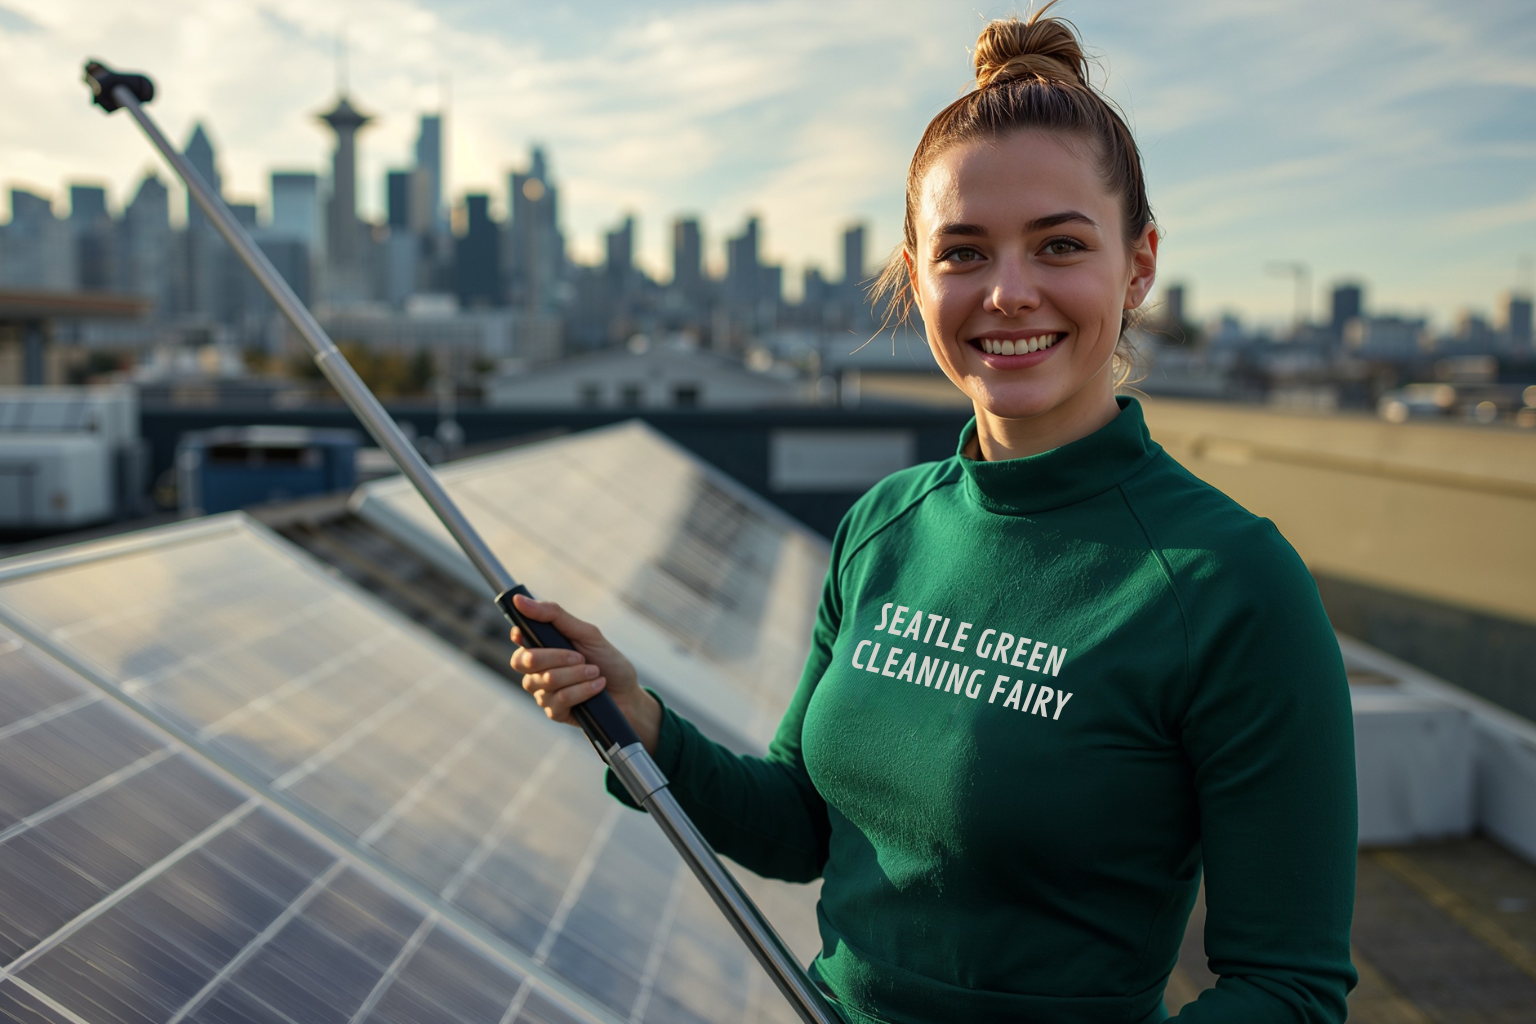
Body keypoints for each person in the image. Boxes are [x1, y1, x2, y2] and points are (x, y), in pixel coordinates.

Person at [510, 8, 1357, 1022]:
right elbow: (803, 826)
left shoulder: (1231, 582)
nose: (1008, 293)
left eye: (1059, 246)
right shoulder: (885, 527)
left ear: (1137, 265)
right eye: (963, 253)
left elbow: (1290, 989)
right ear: (916, 278)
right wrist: (643, 723)